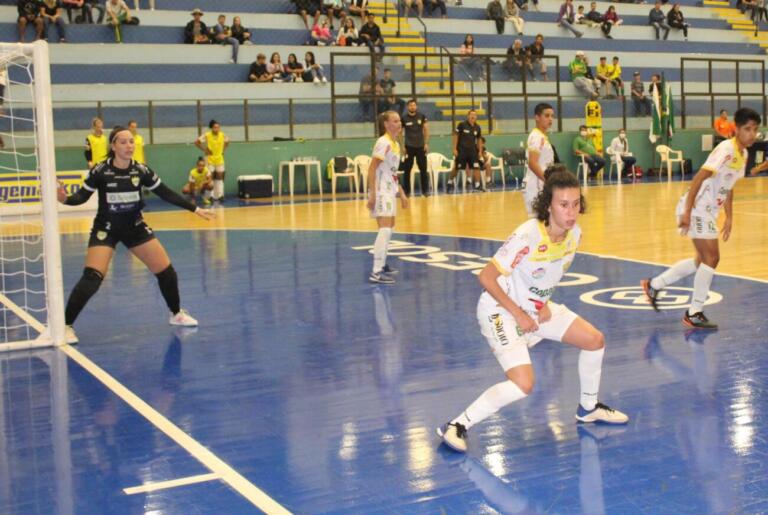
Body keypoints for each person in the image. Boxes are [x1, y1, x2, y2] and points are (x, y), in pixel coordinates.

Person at [437, 167, 629, 454]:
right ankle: (457, 425)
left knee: (594, 341)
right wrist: (520, 314)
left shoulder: (574, 234)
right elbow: (486, 277)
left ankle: (588, 407)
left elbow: (544, 275)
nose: (571, 211)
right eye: (563, 205)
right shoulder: (528, 234)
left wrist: (543, 304)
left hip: (533, 310)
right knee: (523, 384)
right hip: (499, 310)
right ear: (548, 205)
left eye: (576, 204)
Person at [57, 125, 216, 343]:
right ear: (113, 146)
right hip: (107, 228)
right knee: (92, 276)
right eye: (123, 142)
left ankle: (176, 313)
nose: (129, 146)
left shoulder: (141, 170)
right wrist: (64, 199)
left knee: (166, 271)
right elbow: (81, 197)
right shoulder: (100, 171)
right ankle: (65, 325)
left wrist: (195, 209)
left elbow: (165, 193)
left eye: (131, 141)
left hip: (135, 227)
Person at [642, 107, 762, 329]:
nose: (752, 134)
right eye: (747, 129)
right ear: (736, 129)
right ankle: (694, 311)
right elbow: (699, 177)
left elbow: (728, 186)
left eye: (755, 129)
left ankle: (654, 285)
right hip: (697, 206)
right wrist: (687, 211)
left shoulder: (743, 155)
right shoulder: (726, 149)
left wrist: (729, 217)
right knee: (712, 258)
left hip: (709, 210)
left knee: (701, 260)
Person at [366, 111, 409, 284]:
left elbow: (391, 172)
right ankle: (376, 272)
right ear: (386, 124)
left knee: (389, 227)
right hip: (381, 190)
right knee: (384, 228)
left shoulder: (395, 144)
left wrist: (401, 192)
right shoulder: (383, 142)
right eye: (395, 121)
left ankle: (382, 264)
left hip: (390, 189)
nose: (399, 123)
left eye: (400, 121)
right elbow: (372, 169)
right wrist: (373, 194)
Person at [523, 103, 555, 217]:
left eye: (552, 116)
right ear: (537, 117)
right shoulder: (537, 137)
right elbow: (532, 162)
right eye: (546, 115)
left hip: (542, 185)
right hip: (536, 186)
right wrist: (548, 180)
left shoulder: (542, 136)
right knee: (538, 224)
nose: (550, 119)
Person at [194, 119, 230, 202]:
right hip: (210, 159)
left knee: (220, 178)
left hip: (219, 159)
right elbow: (196, 142)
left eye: (218, 127)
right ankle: (210, 196)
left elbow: (228, 141)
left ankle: (220, 195)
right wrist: (204, 150)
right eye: (215, 127)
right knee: (210, 178)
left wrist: (223, 150)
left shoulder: (222, 135)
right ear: (211, 128)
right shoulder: (207, 135)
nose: (217, 129)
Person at [449, 110, 484, 192]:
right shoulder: (462, 125)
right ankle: (449, 183)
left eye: (475, 115)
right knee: (457, 168)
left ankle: (477, 185)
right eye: (471, 114)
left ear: (476, 117)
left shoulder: (477, 127)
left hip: (472, 152)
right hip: (461, 151)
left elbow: (479, 139)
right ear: (468, 116)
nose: (473, 116)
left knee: (476, 167)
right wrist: (454, 148)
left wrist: (480, 151)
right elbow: (455, 136)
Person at [401, 99, 430, 196]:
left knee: (423, 169)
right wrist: (402, 146)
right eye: (410, 105)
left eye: (414, 105)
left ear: (416, 106)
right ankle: (407, 191)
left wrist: (426, 143)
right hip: (409, 147)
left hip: (421, 147)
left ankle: (425, 191)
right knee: (407, 170)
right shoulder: (404, 118)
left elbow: (426, 130)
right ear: (407, 107)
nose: (412, 107)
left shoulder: (422, 117)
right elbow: (400, 133)